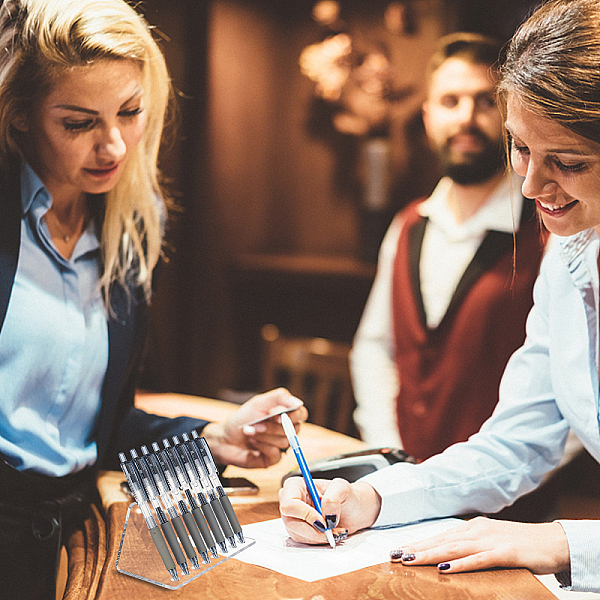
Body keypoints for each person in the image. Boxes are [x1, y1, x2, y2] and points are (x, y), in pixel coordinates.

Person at [280, 0, 600, 592]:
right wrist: (371, 497)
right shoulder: (569, 258)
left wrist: (562, 540)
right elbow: (515, 442)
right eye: (522, 149)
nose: (530, 185)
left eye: (568, 161)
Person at [0, 0, 307, 598]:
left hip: (67, 544)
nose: (114, 146)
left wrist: (216, 438)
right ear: (19, 118)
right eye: (79, 122)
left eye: (130, 112)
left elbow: (102, 431)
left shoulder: (138, 228)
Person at [350, 32, 546, 460]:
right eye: (450, 101)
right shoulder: (407, 226)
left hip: (510, 502)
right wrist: (388, 451)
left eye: (483, 101)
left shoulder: (547, 226)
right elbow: (374, 347)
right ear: (427, 116)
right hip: (404, 487)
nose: (466, 118)